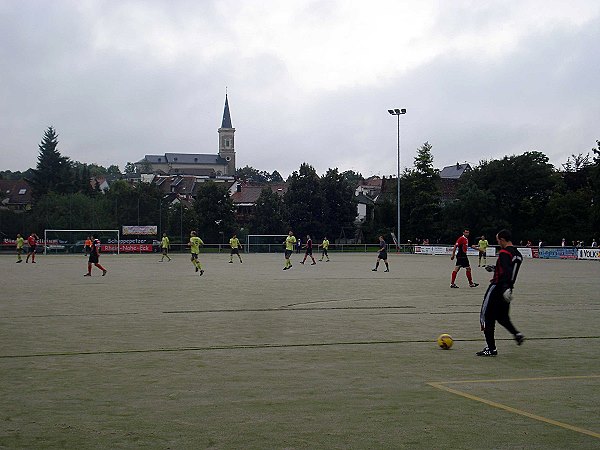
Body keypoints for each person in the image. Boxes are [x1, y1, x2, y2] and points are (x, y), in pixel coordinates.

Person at [477, 229, 525, 356]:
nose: (498, 242)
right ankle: (517, 334)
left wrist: (504, 286)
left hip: (497, 288)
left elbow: (506, 272)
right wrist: (494, 268)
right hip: (508, 290)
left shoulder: (504, 253)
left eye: (498, 240)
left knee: (486, 316)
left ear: (503, 240)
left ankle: (491, 348)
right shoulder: (517, 254)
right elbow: (508, 269)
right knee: (502, 317)